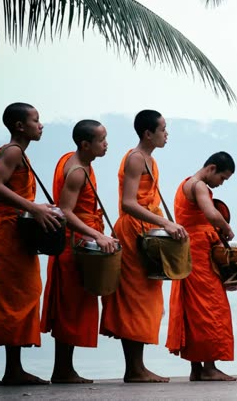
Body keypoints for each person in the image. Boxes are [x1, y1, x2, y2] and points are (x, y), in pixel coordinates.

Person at [0, 102, 62, 385]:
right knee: (9, 298)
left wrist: (36, 207)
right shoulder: (12, 151)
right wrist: (34, 209)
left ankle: (14, 369)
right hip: (7, 232)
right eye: (36, 120)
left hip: (15, 231)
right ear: (20, 126)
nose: (41, 125)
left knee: (24, 294)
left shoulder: (19, 154)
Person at [100, 110, 188, 383]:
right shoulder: (136, 158)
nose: (166, 134)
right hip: (132, 231)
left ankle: (137, 367)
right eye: (162, 129)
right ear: (148, 133)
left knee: (147, 297)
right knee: (134, 299)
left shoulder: (150, 159)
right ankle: (135, 369)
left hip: (147, 232)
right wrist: (166, 222)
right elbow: (128, 203)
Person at [41, 120, 120, 384]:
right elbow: (65, 211)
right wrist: (97, 234)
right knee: (70, 308)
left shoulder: (78, 161)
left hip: (79, 238)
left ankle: (64, 369)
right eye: (101, 140)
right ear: (86, 145)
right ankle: (63, 370)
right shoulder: (76, 170)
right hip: (73, 243)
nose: (106, 144)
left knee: (73, 307)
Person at [166, 152, 237, 381]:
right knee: (211, 307)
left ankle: (197, 368)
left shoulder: (184, 184)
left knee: (194, 310)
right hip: (199, 254)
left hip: (187, 253)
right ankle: (209, 367)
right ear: (211, 168)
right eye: (222, 178)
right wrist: (225, 227)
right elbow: (210, 213)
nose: (221, 184)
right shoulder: (198, 186)